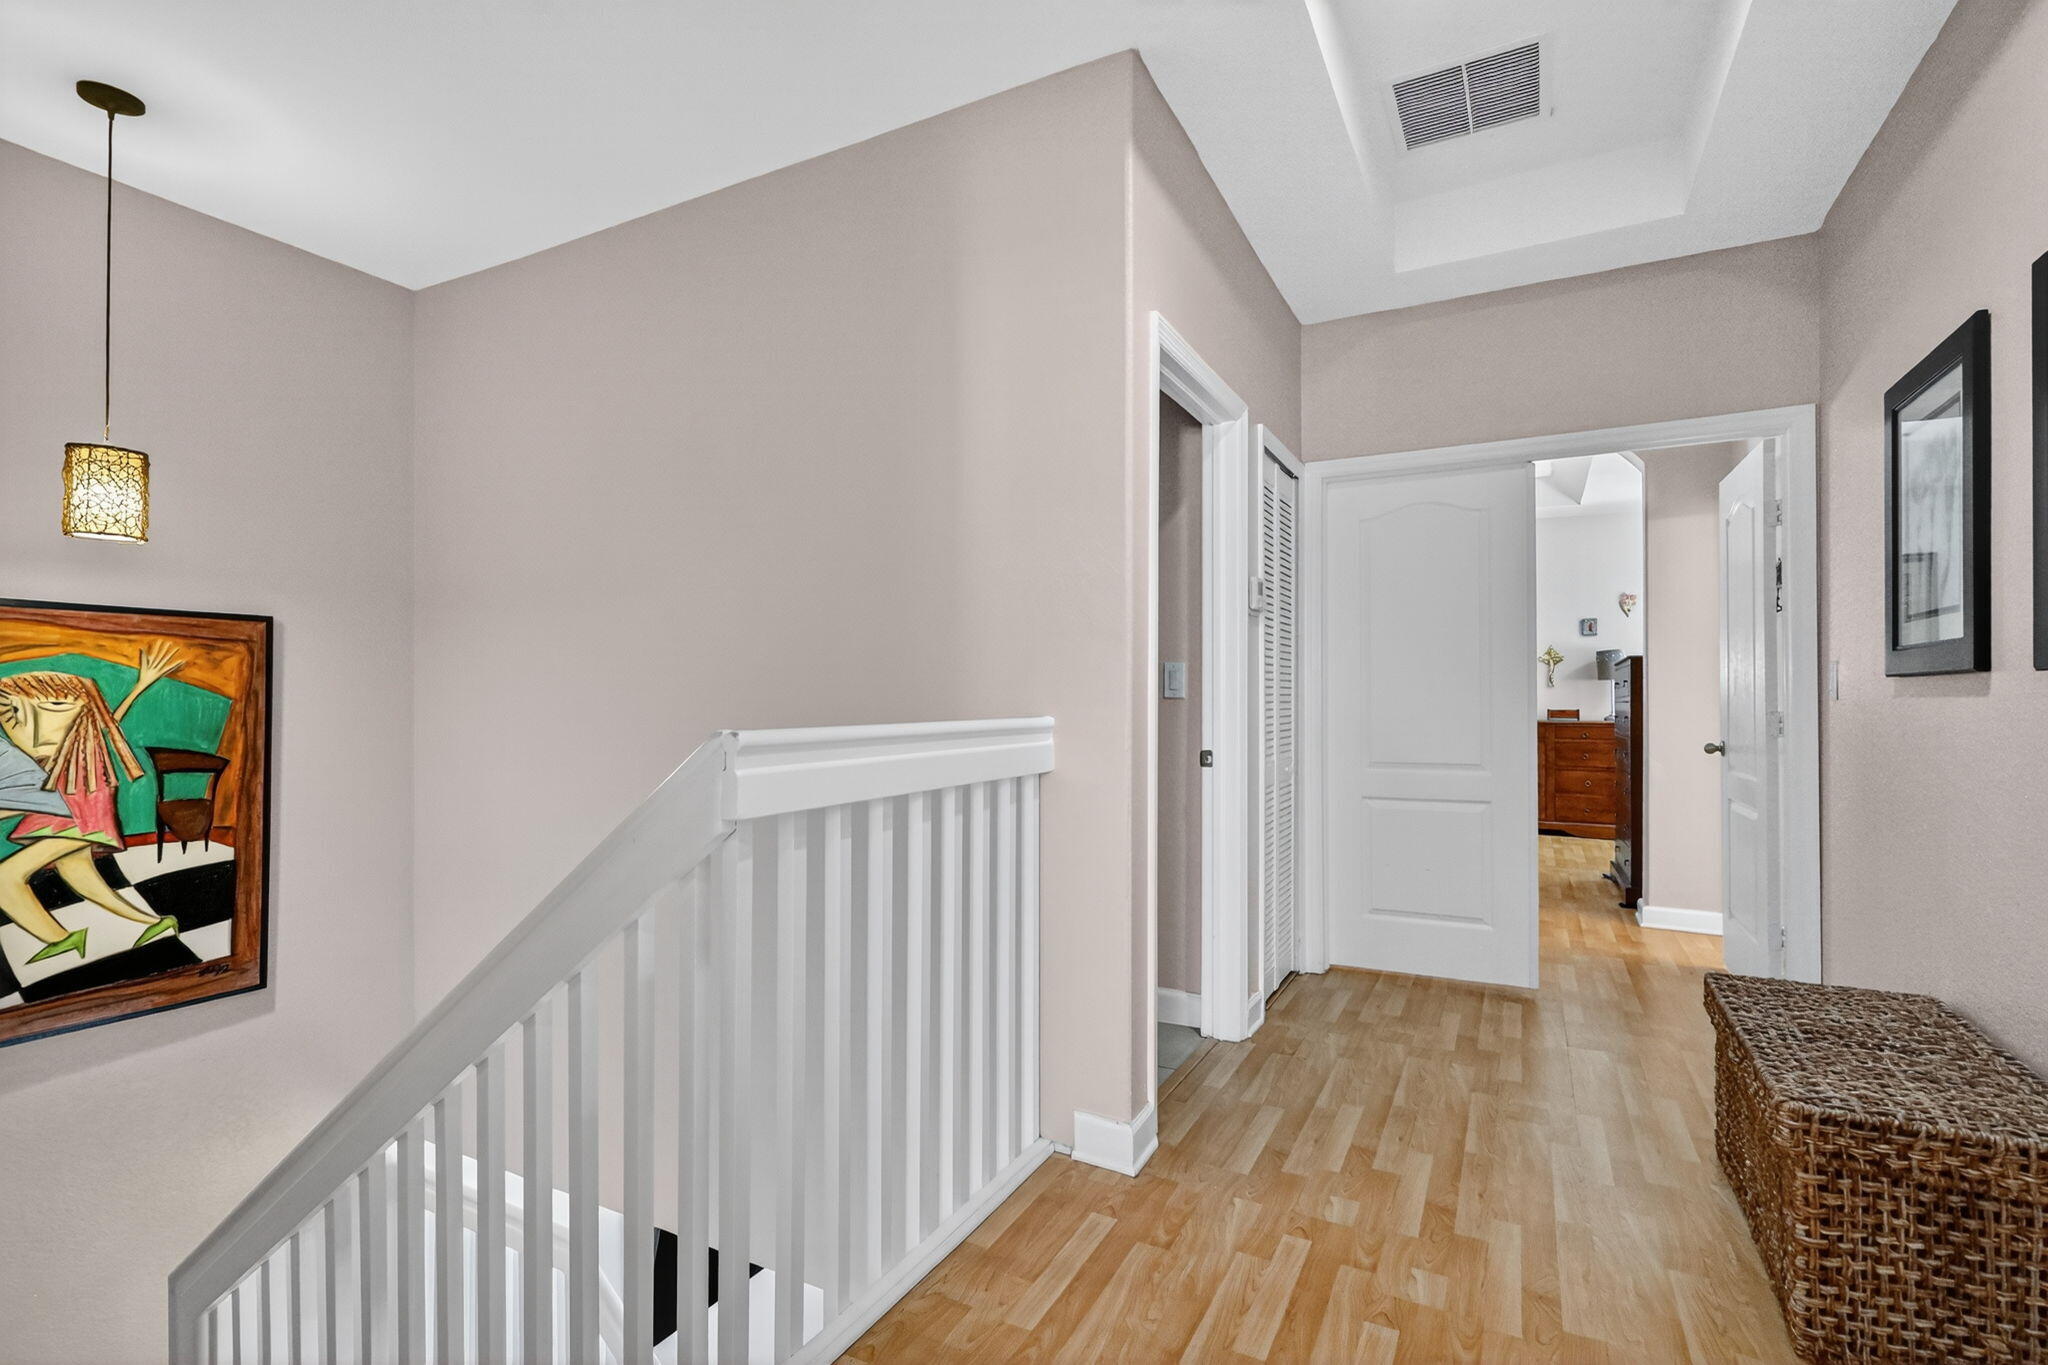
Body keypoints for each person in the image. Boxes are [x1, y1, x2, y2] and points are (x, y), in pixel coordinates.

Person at [0, 644, 185, 964]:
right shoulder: (53, 755)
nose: (27, 725)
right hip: (72, 818)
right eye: (13, 714)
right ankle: (155, 923)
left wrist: (142, 685)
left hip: (79, 819)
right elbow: (28, 795)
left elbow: (108, 722)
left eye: (53, 706)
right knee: (79, 874)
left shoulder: (82, 747)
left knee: (5, 878)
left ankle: (61, 938)